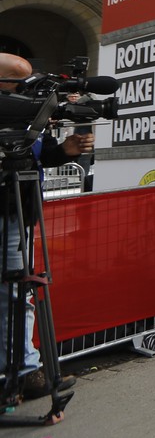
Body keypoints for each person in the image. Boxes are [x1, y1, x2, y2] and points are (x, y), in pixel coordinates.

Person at [0, 53, 92, 402]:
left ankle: (25, 371)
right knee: (12, 294)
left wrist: (66, 151)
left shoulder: (29, 118)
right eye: (18, 82)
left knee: (19, 292)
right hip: (8, 211)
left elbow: (38, 153)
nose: (27, 90)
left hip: (19, 212)